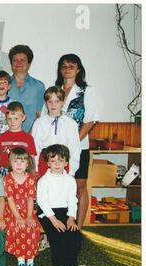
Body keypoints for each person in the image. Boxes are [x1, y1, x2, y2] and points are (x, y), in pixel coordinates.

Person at [52, 54, 100, 229]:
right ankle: (56, 226)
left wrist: (73, 143)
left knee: (79, 187)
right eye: (63, 65)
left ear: (78, 69)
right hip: (55, 149)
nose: (67, 68)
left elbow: (89, 122)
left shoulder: (87, 91)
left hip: (79, 147)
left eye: (71, 65)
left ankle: (77, 228)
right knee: (56, 187)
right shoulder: (54, 89)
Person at [36, 144, 82, 266]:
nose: (57, 164)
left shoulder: (70, 180)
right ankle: (59, 263)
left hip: (65, 211)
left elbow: (73, 200)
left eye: (60, 160)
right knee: (57, 235)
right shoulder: (43, 181)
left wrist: (71, 218)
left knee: (75, 236)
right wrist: (54, 221)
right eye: (53, 161)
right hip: (47, 213)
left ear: (66, 163)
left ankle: (71, 263)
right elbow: (42, 202)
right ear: (48, 163)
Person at [4, 147, 41, 266]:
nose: (19, 164)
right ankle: (20, 261)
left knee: (32, 226)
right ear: (10, 163)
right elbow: (10, 200)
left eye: (22, 161)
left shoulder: (31, 178)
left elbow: (30, 199)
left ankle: (30, 262)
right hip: (12, 211)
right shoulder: (8, 178)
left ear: (27, 163)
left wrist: (30, 216)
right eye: (15, 161)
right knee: (17, 226)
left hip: (28, 210)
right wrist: (18, 217)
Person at [32, 86, 81, 178]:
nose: (53, 105)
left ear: (62, 102)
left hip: (63, 163)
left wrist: (72, 171)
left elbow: (75, 149)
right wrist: (35, 169)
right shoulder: (39, 123)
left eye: (57, 101)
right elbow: (35, 148)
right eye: (50, 102)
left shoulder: (70, 124)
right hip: (44, 163)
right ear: (46, 103)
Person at [7, 45, 45, 133]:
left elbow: (40, 116)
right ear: (11, 63)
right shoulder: (2, 85)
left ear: (29, 63)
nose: (18, 63)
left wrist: (29, 136)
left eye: (22, 60)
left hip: (31, 136)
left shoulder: (39, 86)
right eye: (15, 60)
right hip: (5, 137)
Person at [0, 101, 36, 176]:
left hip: (23, 173)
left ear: (23, 117)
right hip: (4, 172)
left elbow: (32, 160)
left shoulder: (28, 138)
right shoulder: (0, 137)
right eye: (9, 119)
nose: (12, 122)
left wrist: (32, 176)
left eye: (16, 118)